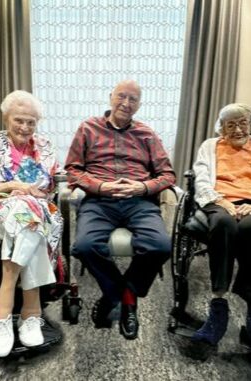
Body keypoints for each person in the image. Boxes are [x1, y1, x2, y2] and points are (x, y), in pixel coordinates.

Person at [64, 79, 175, 340]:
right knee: (84, 246)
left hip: (139, 202)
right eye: (121, 96)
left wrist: (141, 187)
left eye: (133, 99)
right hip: (99, 201)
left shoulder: (147, 134)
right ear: (110, 97)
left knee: (160, 246)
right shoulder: (88, 128)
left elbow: (167, 175)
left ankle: (124, 297)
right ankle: (120, 294)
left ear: (139, 104)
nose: (126, 103)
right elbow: (72, 170)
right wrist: (101, 186)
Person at [0, 90, 62, 357]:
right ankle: (31, 313)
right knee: (29, 221)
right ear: (6, 117)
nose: (25, 127)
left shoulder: (44, 146)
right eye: (19, 120)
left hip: (31, 210)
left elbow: (46, 189)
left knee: (25, 214)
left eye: (31, 122)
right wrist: (11, 186)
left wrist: (25, 193)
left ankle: (3, 314)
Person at [190, 103, 251, 360]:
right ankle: (218, 305)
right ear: (221, 127)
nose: (237, 129)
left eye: (242, 122)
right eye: (230, 124)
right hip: (220, 201)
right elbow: (201, 178)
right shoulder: (209, 146)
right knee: (223, 223)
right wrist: (220, 201)